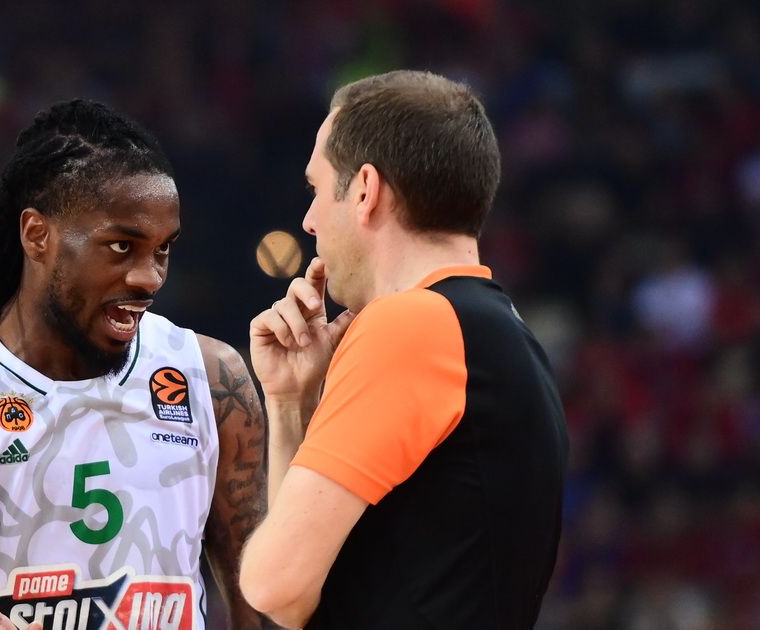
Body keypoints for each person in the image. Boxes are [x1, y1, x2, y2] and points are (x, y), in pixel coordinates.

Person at [0, 99, 275, 630]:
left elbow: (261, 594)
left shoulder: (212, 379)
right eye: (121, 246)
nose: (149, 277)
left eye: (163, 250)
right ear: (37, 235)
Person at [238, 70, 569, 629]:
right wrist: (290, 402)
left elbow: (274, 585)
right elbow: (300, 600)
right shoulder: (499, 328)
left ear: (365, 190)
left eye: (316, 189)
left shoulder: (413, 324)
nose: (309, 221)